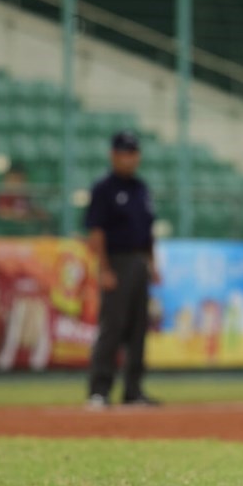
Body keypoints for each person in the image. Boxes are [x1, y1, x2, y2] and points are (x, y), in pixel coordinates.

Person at [84, 131, 160, 409]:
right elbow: (96, 232)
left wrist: (153, 263)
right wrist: (103, 268)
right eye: (125, 152)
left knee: (139, 328)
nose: (130, 158)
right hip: (116, 261)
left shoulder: (141, 188)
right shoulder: (104, 189)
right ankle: (99, 390)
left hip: (139, 261)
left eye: (133, 152)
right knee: (113, 327)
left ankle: (133, 390)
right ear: (114, 155)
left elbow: (148, 229)